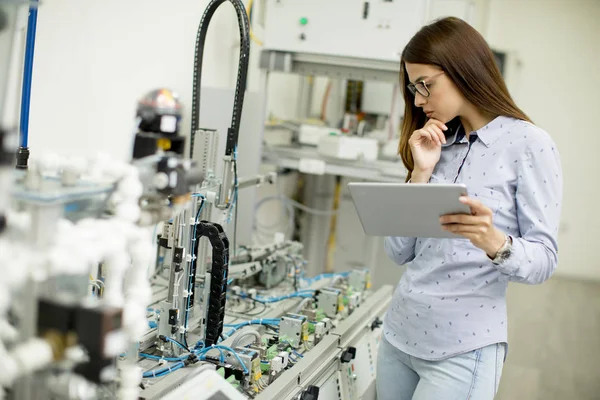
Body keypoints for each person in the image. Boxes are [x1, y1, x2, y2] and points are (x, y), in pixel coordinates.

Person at [376, 17, 562, 400]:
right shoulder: (436, 142)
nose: (417, 99)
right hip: (398, 336)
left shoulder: (529, 143)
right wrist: (420, 173)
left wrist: (495, 241)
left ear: (463, 70)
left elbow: (544, 260)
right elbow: (397, 252)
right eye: (412, 87)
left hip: (462, 348)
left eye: (425, 84)